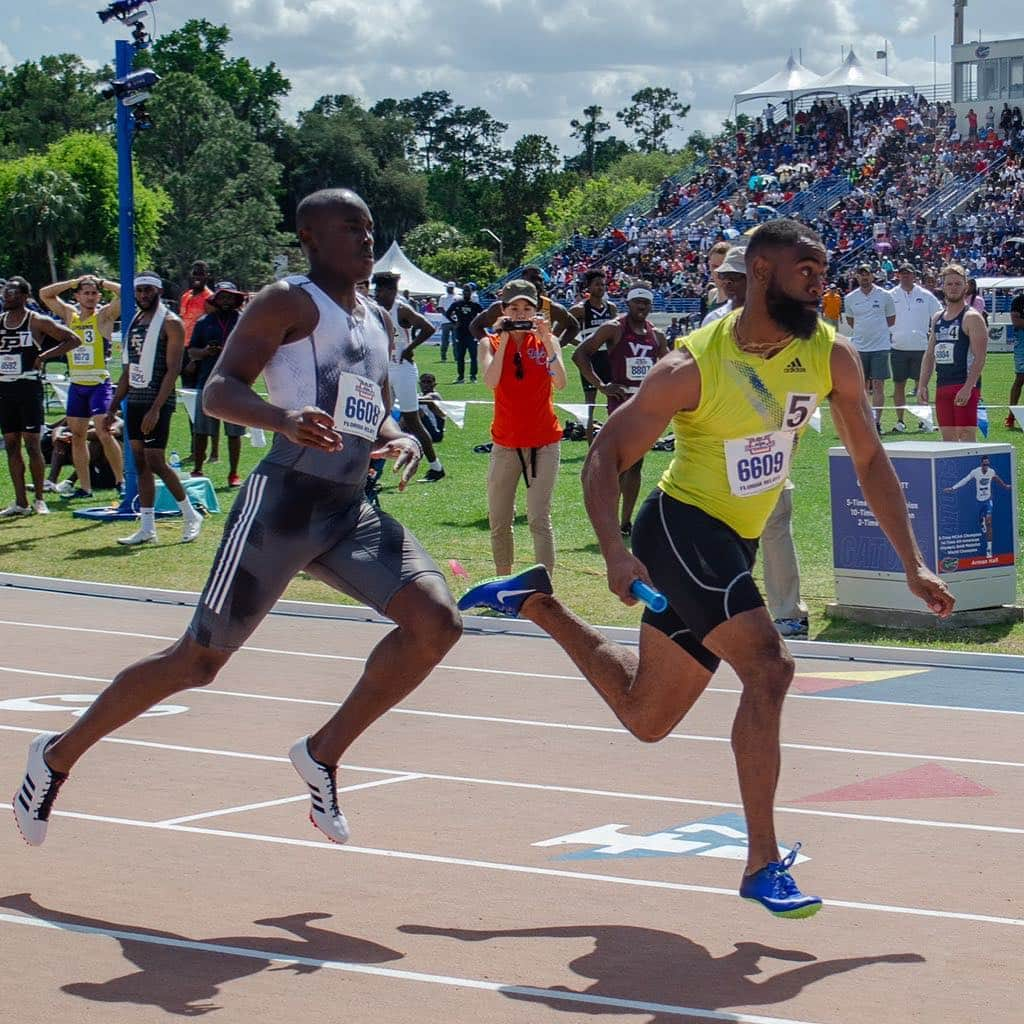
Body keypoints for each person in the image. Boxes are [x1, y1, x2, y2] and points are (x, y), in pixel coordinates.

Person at [457, 220, 954, 918]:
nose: (821, 284)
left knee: (646, 715)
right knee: (770, 667)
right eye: (805, 272)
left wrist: (914, 563)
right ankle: (761, 864)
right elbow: (606, 454)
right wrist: (613, 550)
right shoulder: (692, 364)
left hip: (732, 544)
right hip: (681, 528)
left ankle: (537, 601)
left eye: (823, 271)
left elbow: (870, 459)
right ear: (759, 272)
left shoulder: (829, 355)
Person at [12, 187, 462, 850]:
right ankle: (54, 756)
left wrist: (399, 436)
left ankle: (322, 752)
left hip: (347, 509)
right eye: (350, 227)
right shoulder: (286, 302)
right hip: (280, 506)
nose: (367, 239)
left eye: (370, 227)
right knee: (196, 662)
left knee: (437, 623)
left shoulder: (375, 317)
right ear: (310, 237)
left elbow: (373, 406)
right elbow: (220, 390)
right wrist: (281, 418)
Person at [478, 279, 568, 575]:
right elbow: (490, 381)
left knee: (538, 518)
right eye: (513, 307)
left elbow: (562, 382)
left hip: (544, 442)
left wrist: (545, 340)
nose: (520, 314)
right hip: (506, 443)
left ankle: (544, 588)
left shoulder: (546, 340)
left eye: (527, 308)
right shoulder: (488, 342)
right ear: (503, 310)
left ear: (536, 312)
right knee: (500, 518)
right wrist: (504, 339)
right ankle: (504, 583)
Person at [109, 273, 205, 545]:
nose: (143, 295)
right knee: (140, 463)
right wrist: (113, 406)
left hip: (157, 400)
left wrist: (156, 408)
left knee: (156, 461)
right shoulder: (136, 322)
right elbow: (129, 369)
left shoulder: (170, 323)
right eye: (139, 291)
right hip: (136, 400)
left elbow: (173, 368)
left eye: (148, 290)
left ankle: (190, 514)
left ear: (159, 291)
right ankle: (147, 526)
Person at [573, 284, 668, 536]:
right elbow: (580, 354)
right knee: (620, 464)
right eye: (637, 302)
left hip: (646, 404)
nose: (641, 307)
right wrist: (601, 385)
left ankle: (625, 522)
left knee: (636, 464)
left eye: (645, 303)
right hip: (621, 401)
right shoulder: (614, 328)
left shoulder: (656, 335)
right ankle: (610, 520)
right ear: (629, 303)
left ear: (650, 306)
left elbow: (670, 367)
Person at [38, 273, 124, 498]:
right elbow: (45, 294)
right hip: (77, 384)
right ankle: (85, 488)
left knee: (105, 432)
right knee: (77, 436)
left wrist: (102, 282)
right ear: (77, 295)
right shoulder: (71, 315)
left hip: (98, 383)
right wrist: (73, 282)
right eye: (85, 293)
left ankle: (120, 481)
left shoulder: (104, 316)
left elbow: (126, 293)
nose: (90, 297)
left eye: (94, 293)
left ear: (99, 296)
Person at [0, 276, 79, 517]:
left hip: (28, 387)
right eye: (5, 292)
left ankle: (39, 499)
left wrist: (44, 356)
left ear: (24, 296)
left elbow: (72, 339)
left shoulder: (36, 321)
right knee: (11, 444)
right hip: (4, 389)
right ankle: (20, 501)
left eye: (12, 293)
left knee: (32, 445)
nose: (6, 296)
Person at [372, 272, 445, 482]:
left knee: (412, 421)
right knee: (379, 417)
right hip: (386, 369)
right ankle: (373, 472)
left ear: (391, 291)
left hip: (403, 369)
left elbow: (429, 328)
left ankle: (436, 467)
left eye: (380, 291)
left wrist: (409, 348)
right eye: (375, 290)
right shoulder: (375, 308)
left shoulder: (401, 308)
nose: (376, 294)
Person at [917, 263, 988, 442]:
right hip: (943, 386)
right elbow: (929, 355)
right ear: (943, 287)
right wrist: (922, 384)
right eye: (949, 284)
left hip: (964, 385)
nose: (953, 288)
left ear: (965, 286)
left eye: (957, 284)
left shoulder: (972, 318)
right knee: (947, 440)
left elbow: (980, 358)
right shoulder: (937, 318)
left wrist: (968, 387)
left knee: (965, 436)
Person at [186, 281, 247, 485]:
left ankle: (233, 473)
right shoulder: (204, 322)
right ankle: (198, 469)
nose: (227, 301)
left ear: (237, 299)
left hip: (236, 382)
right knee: (201, 428)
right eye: (223, 296)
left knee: (234, 431)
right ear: (216, 299)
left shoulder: (243, 321)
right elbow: (191, 350)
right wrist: (205, 352)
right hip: (207, 381)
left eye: (230, 296)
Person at [470, 266, 579, 353]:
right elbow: (475, 326)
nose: (537, 282)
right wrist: (490, 345)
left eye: (539, 280)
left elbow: (574, 326)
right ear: (522, 282)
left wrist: (556, 345)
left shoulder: (551, 307)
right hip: (509, 363)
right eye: (532, 279)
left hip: (540, 366)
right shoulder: (502, 307)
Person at [887, 264, 942, 432]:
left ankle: (924, 421)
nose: (905, 277)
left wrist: (932, 333)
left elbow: (939, 314)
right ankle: (900, 421)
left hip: (921, 347)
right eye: (902, 274)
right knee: (899, 385)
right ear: (898, 276)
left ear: (914, 276)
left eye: (908, 274)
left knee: (922, 385)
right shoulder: (890, 295)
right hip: (898, 346)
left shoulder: (926, 295)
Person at [567, 269, 618, 443]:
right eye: (597, 284)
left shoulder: (611, 308)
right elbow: (561, 332)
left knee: (615, 400)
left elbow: (616, 333)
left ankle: (615, 441)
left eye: (603, 285)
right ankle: (591, 446)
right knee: (590, 405)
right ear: (588, 287)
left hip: (608, 359)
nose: (601, 288)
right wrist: (581, 346)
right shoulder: (580, 309)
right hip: (589, 360)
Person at [844, 264, 896, 432]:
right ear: (856, 277)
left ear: (873, 276)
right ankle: (866, 421)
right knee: (862, 386)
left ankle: (877, 421)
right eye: (861, 275)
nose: (864, 277)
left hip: (880, 346)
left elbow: (891, 319)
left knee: (878, 384)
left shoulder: (885, 296)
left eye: (867, 274)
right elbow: (852, 322)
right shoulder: (850, 298)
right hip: (859, 347)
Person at [943, 454, 1011, 558]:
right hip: (979, 501)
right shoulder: (975, 472)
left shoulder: (991, 472)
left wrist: (1005, 486)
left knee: (989, 522)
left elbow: (996, 478)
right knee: (981, 520)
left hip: (988, 501)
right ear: (981, 464)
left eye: (988, 464)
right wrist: (953, 488)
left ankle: (989, 549)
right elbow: (965, 480)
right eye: (984, 464)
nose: (986, 466)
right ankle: (981, 521)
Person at [445, 286, 483, 384]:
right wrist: (454, 322)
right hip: (460, 333)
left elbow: (484, 314)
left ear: (471, 293)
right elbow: (448, 313)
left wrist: (478, 324)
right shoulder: (457, 303)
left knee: (473, 356)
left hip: (472, 333)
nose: (466, 293)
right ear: (463, 292)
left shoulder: (475, 305)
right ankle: (460, 377)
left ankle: (473, 377)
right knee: (460, 356)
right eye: (465, 291)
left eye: (468, 291)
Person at [1005, 290, 1024, 428]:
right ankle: (1011, 416)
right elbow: (1016, 322)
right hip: (1022, 343)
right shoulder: (1018, 301)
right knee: (1020, 379)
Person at [417, 372, 447, 443]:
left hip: (435, 434)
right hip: (422, 430)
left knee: (415, 410)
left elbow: (421, 400)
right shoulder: (418, 395)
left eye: (429, 382)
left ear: (434, 384)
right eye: (423, 382)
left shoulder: (435, 396)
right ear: (420, 384)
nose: (426, 384)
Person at [437, 282, 458, 362]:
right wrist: (448, 315)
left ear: (452, 288)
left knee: (456, 341)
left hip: (455, 321)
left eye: (449, 287)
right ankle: (443, 357)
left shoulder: (458, 297)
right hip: (445, 321)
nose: (447, 289)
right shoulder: (443, 297)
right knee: (444, 340)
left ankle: (457, 357)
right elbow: (440, 308)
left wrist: (454, 313)